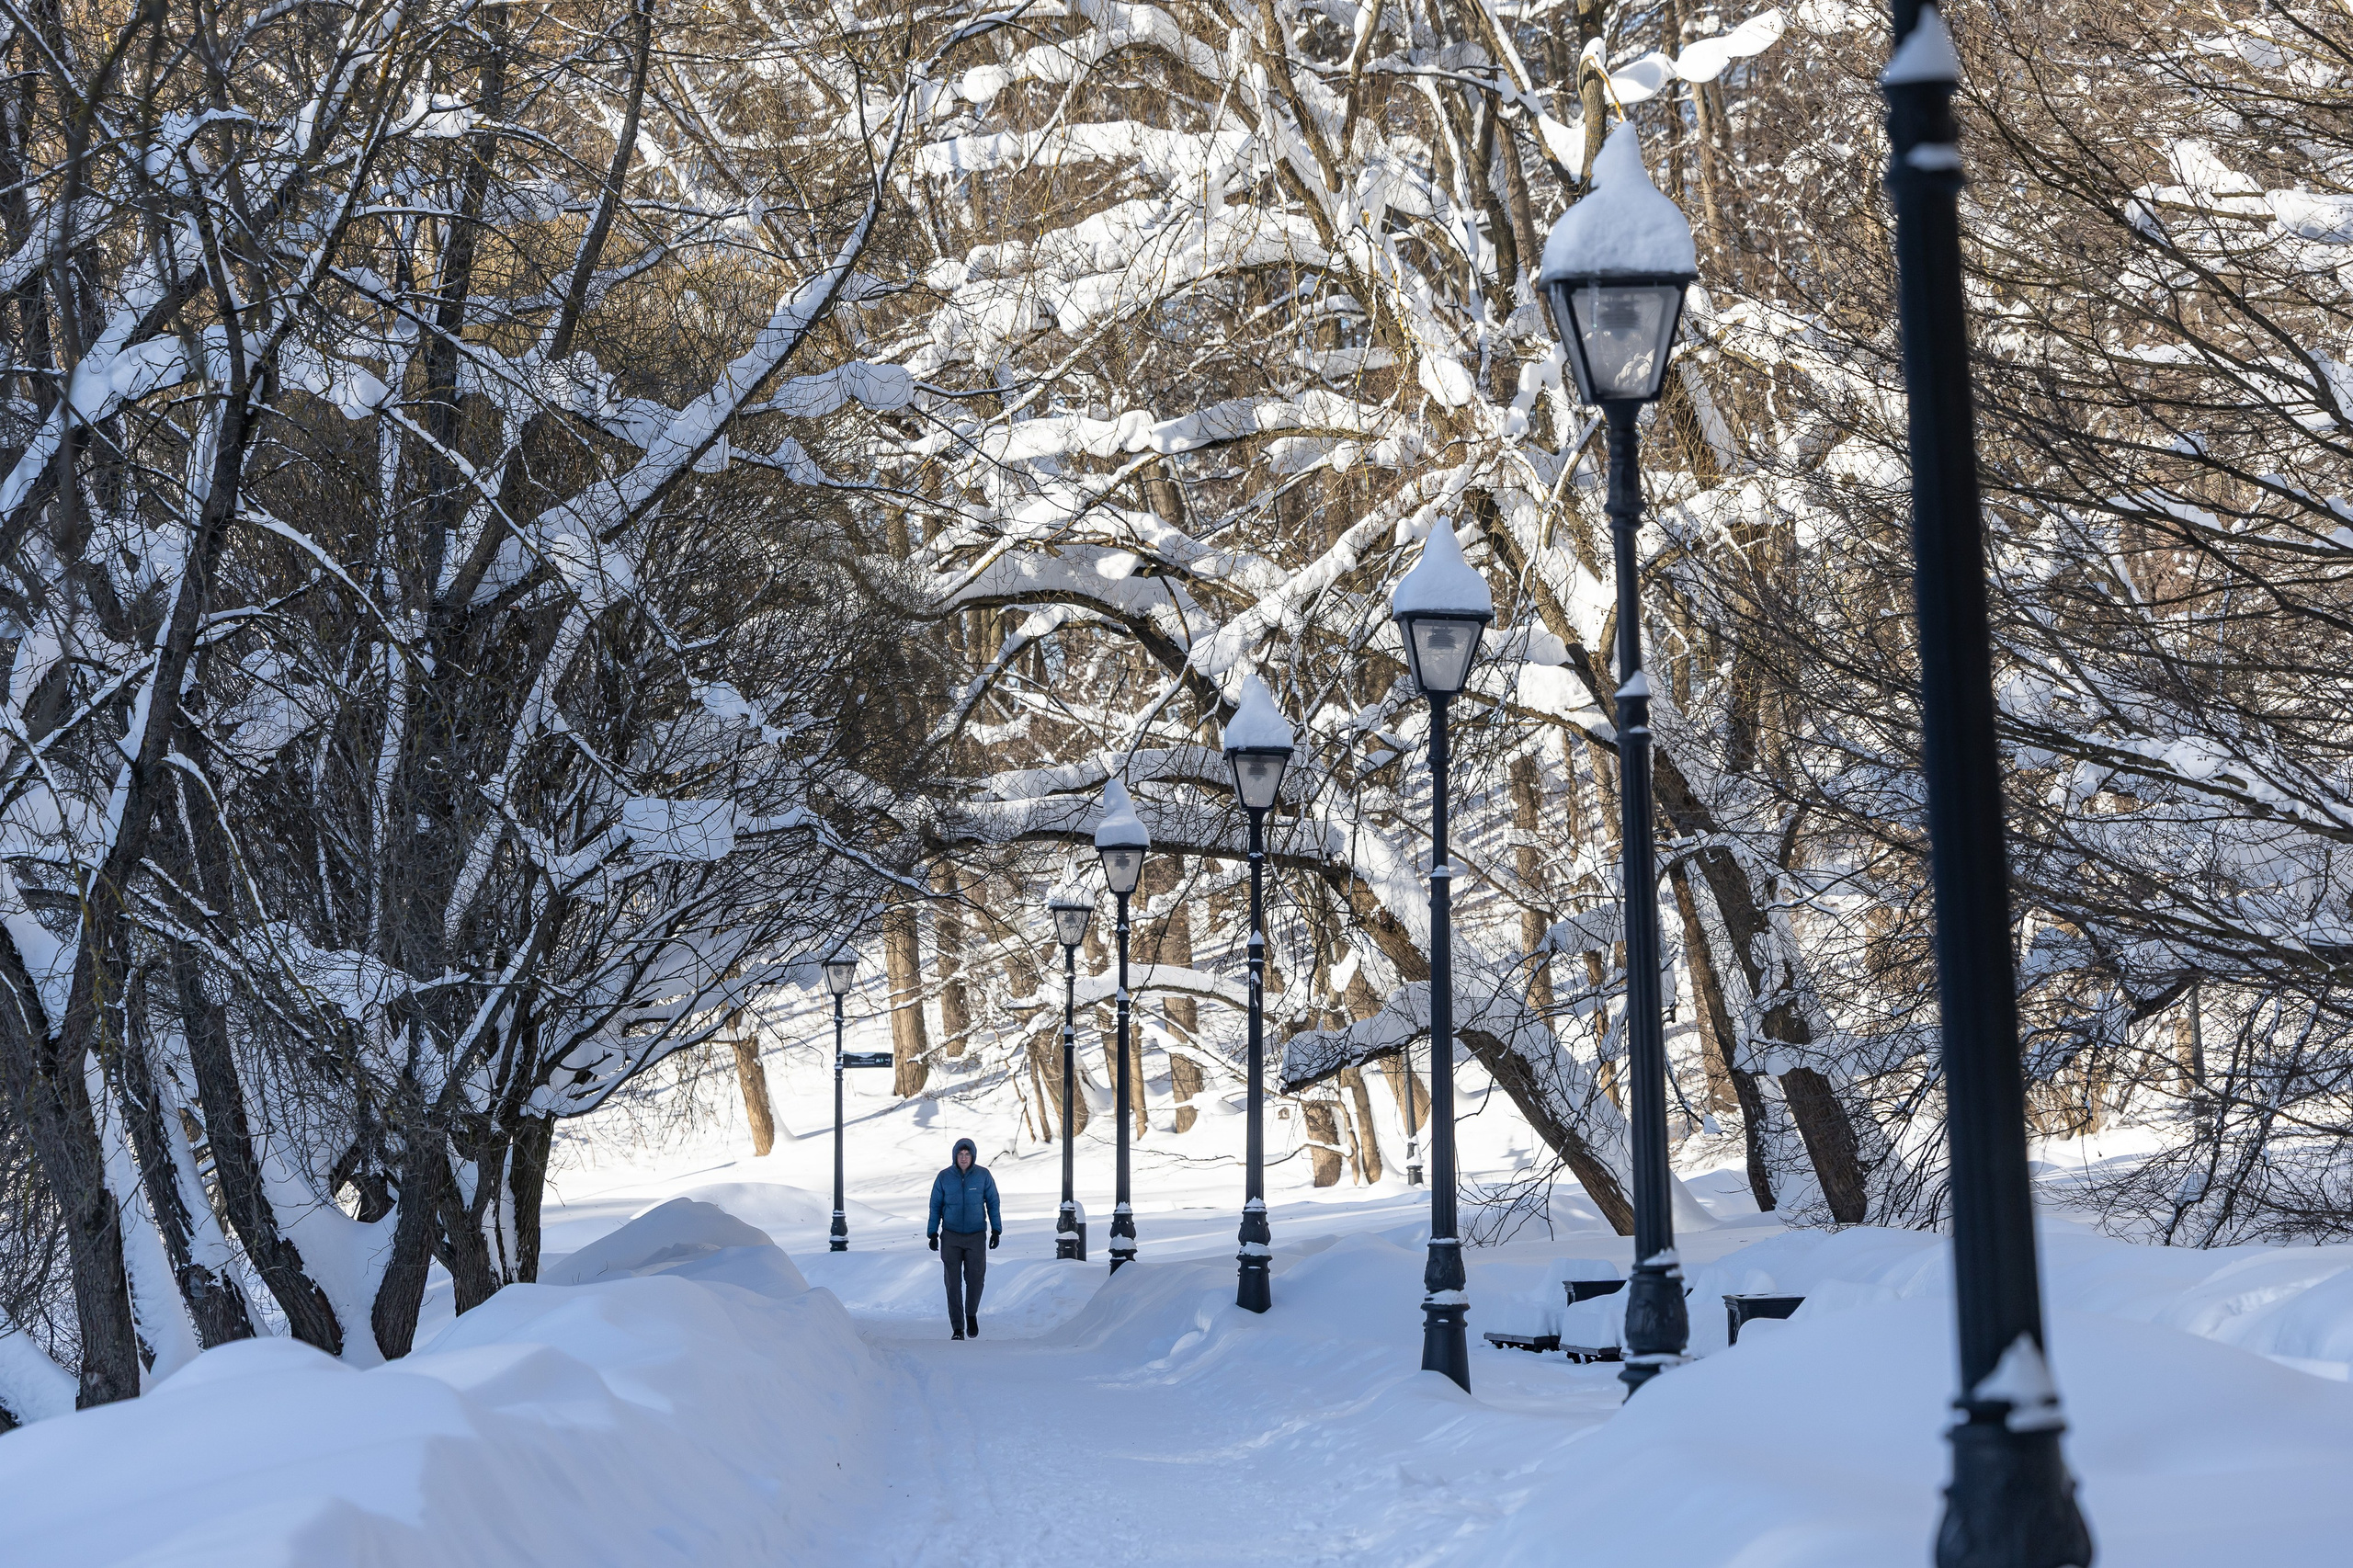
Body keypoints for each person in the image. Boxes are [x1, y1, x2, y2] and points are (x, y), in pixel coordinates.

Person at [927, 1137, 1002, 1340]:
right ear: (955, 1156)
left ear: (973, 1156)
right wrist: (932, 1233)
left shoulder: (983, 1176)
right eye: (960, 1154)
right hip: (950, 1236)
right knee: (952, 1282)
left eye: (967, 1154)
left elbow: (993, 1202)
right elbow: (935, 1206)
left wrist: (996, 1229)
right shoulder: (944, 1177)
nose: (963, 1158)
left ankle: (971, 1314)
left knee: (976, 1279)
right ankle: (958, 1328)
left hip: (976, 1235)